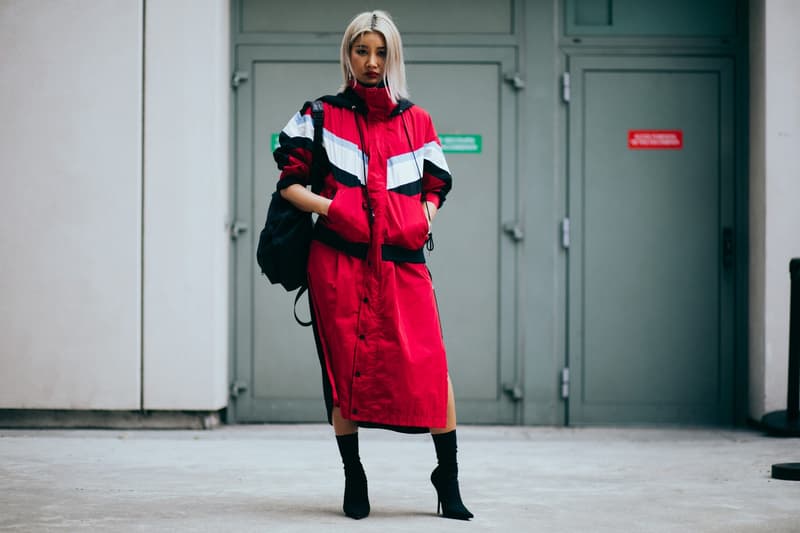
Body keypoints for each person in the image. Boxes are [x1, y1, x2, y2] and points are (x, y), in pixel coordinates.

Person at [273, 10, 473, 521]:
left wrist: (424, 218)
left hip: (403, 265)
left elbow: (437, 184)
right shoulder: (318, 115)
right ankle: (353, 476)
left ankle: (447, 477)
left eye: (381, 52)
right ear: (347, 54)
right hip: (338, 265)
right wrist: (333, 208)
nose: (371, 61)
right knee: (345, 372)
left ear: (394, 56)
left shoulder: (417, 121)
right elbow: (289, 187)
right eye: (362, 50)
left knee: (433, 370)